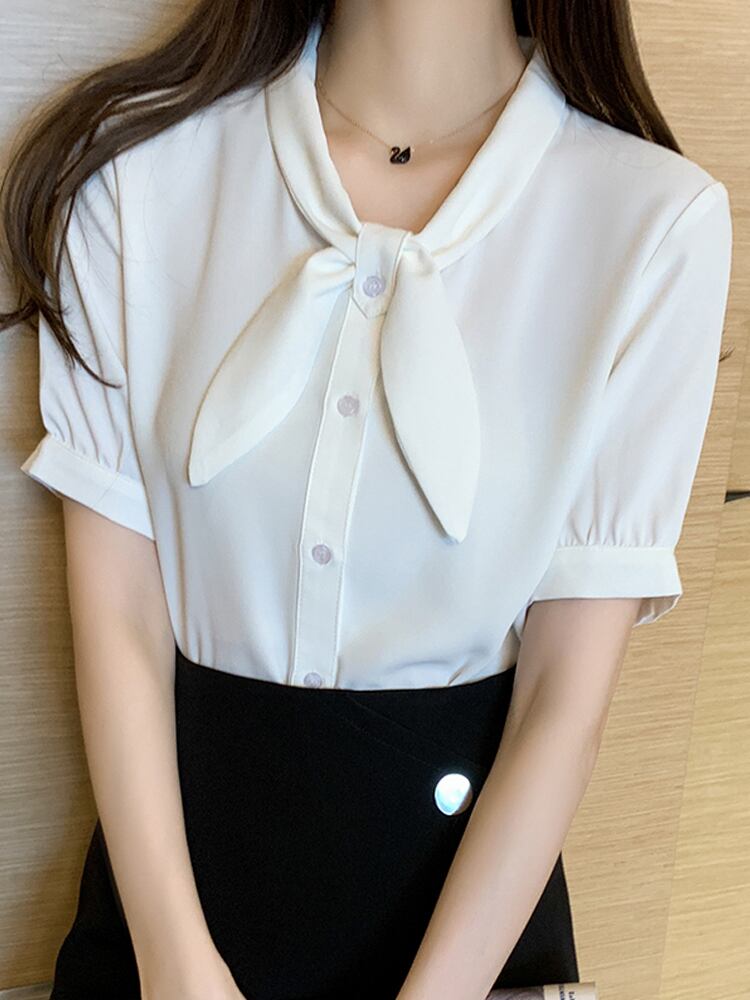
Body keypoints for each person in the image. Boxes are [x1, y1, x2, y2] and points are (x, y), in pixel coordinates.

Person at [1, 1, 733, 998]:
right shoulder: (135, 180)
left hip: (469, 950)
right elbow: (120, 619)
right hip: (163, 930)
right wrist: (175, 964)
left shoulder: (654, 224)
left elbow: (564, 697)